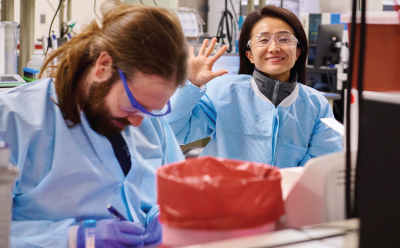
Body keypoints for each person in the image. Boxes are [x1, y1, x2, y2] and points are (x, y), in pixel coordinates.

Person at [0, 1, 190, 247]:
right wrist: (70, 238)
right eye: (132, 105)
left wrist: (166, 216)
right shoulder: (13, 119)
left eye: (152, 109)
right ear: (102, 67)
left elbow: (178, 192)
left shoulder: (149, 120)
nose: (138, 120)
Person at [165, 5, 343, 168]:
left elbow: (320, 165)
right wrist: (190, 86)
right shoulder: (224, 92)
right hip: (225, 198)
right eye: (263, 40)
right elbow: (173, 130)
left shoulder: (316, 105)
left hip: (286, 198)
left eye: (284, 39)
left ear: (297, 52)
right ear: (249, 55)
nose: (273, 47)